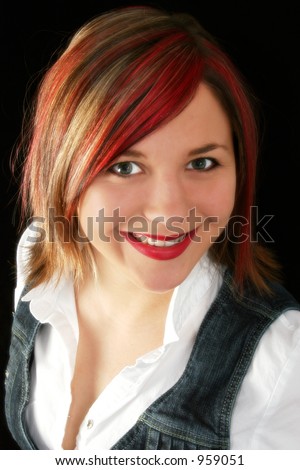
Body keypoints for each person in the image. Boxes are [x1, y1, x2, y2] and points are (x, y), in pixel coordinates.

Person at [5, 5, 300, 450]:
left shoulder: (281, 363)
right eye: (124, 166)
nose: (169, 212)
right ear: (63, 165)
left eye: (202, 163)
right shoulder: (37, 262)